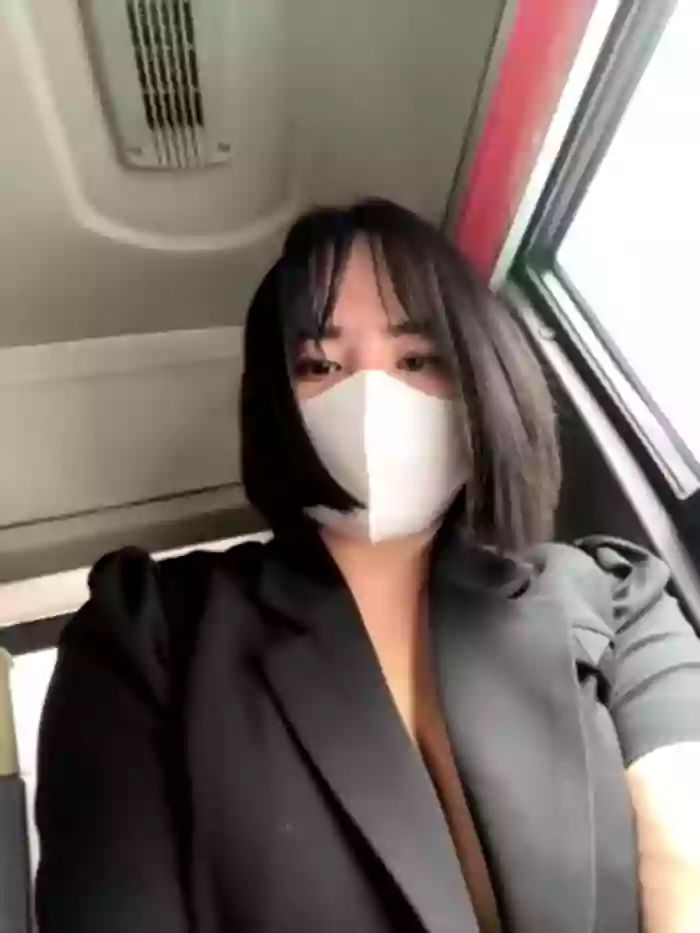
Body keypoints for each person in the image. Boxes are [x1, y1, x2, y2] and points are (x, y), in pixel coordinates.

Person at [35, 199, 700, 933]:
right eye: (319, 365)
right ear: (275, 400)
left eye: (417, 360)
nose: (372, 398)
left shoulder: (616, 596)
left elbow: (687, 841)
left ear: (483, 376)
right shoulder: (147, 633)